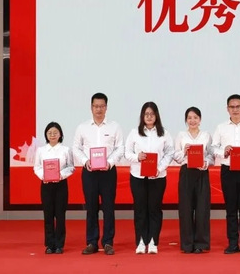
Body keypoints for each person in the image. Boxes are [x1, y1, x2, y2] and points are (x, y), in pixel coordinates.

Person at [72, 92, 124, 255]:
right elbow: (76, 148)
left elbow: (120, 148)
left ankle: (108, 242)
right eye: (96, 106)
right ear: (91, 107)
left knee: (109, 208)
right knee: (91, 208)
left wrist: (110, 162)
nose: (99, 109)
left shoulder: (114, 127)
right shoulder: (82, 127)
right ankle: (92, 242)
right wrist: (85, 161)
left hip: (108, 172)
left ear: (106, 107)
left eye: (102, 106)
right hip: (89, 172)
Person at [125, 101, 174, 254]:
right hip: (138, 177)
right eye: (146, 114)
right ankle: (141, 241)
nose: (149, 117)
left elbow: (170, 153)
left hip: (157, 177)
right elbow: (127, 153)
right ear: (142, 116)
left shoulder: (164, 133)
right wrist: (137, 157)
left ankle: (153, 241)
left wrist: (159, 169)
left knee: (154, 209)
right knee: (140, 209)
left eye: (152, 114)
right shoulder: (134, 133)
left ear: (156, 116)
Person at [212, 94, 240, 255]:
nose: (235, 109)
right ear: (227, 109)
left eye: (238, 106)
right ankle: (232, 243)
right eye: (232, 107)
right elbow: (213, 148)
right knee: (231, 209)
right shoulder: (221, 127)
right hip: (228, 171)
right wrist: (222, 151)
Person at [173, 106, 214, 254]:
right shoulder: (181, 135)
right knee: (186, 209)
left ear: (200, 119)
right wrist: (184, 152)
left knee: (202, 209)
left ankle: (200, 244)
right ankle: (187, 244)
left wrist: (206, 163)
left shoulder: (206, 135)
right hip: (186, 173)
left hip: (202, 173)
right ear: (186, 120)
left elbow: (211, 155)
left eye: (195, 117)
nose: (192, 120)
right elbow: (176, 156)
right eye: (189, 118)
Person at [33, 122, 75, 254]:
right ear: (46, 135)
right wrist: (44, 176)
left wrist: (60, 175)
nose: (52, 135)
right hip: (46, 185)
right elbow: (37, 167)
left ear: (60, 134)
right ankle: (50, 244)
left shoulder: (66, 150)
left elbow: (71, 167)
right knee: (48, 214)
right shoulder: (41, 150)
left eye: (55, 133)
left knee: (60, 215)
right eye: (49, 133)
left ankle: (59, 244)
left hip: (61, 185)